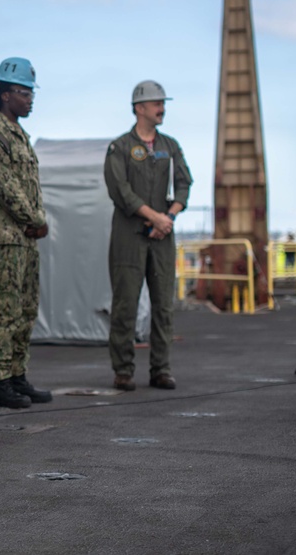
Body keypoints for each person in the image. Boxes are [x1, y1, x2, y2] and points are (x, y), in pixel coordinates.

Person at [104, 80, 191, 391]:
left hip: (162, 236)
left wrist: (167, 218)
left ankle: (161, 370)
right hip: (130, 235)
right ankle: (123, 370)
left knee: (163, 306)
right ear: (140, 108)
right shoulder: (120, 147)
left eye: (163, 103)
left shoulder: (170, 146)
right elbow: (120, 191)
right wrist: (154, 216)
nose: (162, 108)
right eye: (157, 103)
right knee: (125, 303)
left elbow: (184, 185)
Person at [0, 57, 52, 410]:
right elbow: (5, 186)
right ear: (6, 95)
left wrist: (34, 223)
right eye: (24, 92)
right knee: (1, 312)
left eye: (31, 92)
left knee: (25, 310)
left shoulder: (20, 135)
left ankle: (18, 375)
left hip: (25, 239)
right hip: (5, 238)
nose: (31, 99)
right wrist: (36, 218)